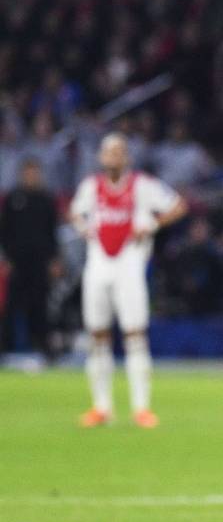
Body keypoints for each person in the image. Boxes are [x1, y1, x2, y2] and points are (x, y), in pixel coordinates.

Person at [71, 133, 187, 428]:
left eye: (119, 152)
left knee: (135, 336)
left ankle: (141, 408)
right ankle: (101, 407)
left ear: (127, 157)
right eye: (108, 152)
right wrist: (84, 227)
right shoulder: (90, 187)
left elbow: (178, 205)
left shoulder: (142, 186)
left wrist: (152, 224)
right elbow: (74, 213)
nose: (113, 157)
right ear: (101, 157)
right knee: (97, 336)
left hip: (129, 267)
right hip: (98, 267)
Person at [0, 159, 60, 358]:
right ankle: (4, 347)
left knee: (41, 305)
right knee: (11, 306)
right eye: (28, 172)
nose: (31, 176)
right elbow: (5, 231)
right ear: (22, 174)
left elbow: (53, 233)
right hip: (17, 261)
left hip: (40, 261)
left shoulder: (47, 200)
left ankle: (44, 348)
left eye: (35, 172)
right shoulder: (12, 199)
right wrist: (5, 258)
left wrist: (54, 259)